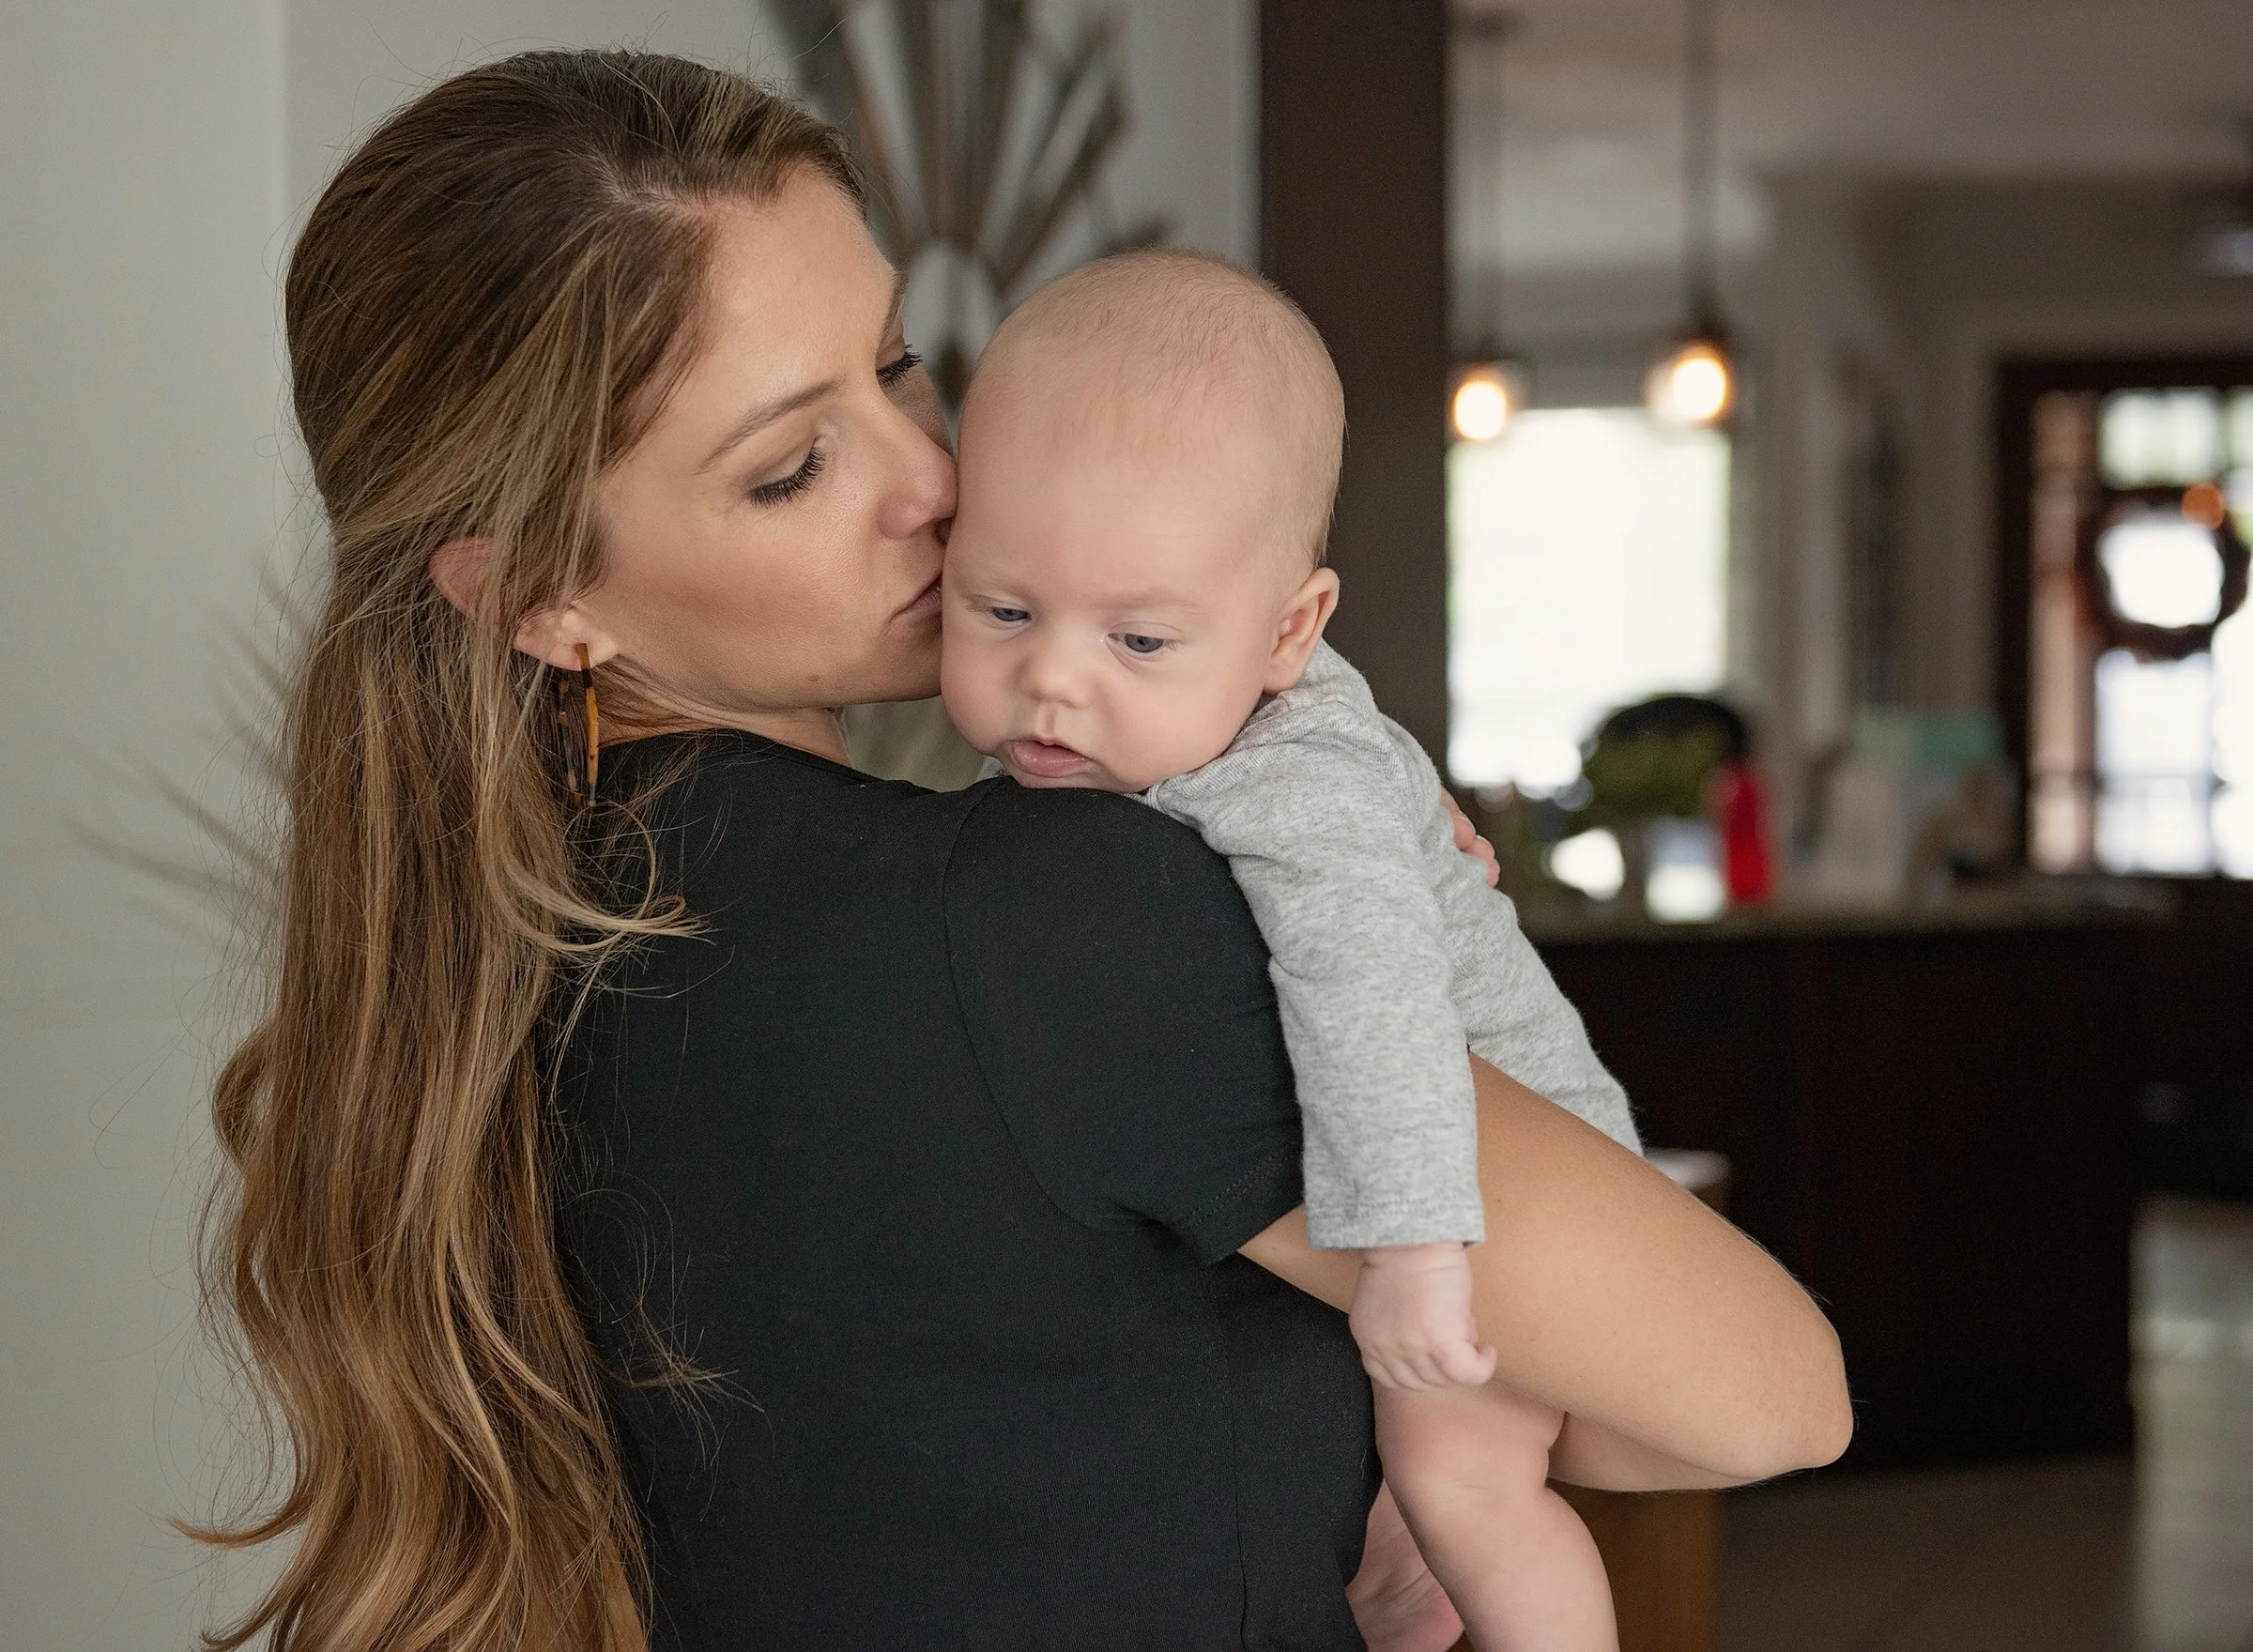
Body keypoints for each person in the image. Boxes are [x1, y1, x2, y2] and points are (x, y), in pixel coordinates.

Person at [196, 49, 1852, 1652]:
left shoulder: (468, 963)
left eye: (901, 363)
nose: (931, 477)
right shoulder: (1054, 923)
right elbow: (1766, 1396)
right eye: (791, 467)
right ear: (537, 596)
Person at [941, 247, 1636, 1650]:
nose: (1054, 678)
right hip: (1397, 1178)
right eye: (1000, 609)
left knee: (1469, 1481)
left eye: (1138, 638)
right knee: (1384, 1518)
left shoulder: (1297, 783)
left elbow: (1371, 1003)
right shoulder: (1171, 706)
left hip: (1497, 1174)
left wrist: (1420, 1257)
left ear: (1288, 634)